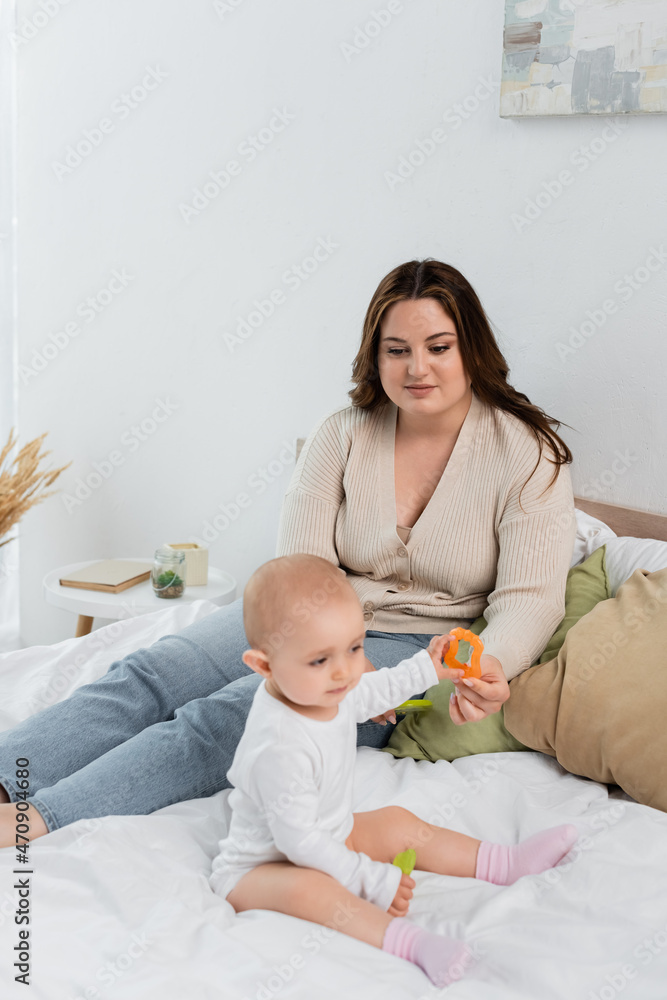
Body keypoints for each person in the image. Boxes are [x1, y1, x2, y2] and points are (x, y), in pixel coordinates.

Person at [0, 258, 576, 846]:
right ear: (375, 357)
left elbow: (528, 598)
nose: (417, 368)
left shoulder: (527, 455)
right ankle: (5, 777)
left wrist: (485, 665)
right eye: (397, 349)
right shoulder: (343, 433)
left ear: (471, 349)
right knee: (152, 671)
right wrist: (318, 645)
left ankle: (37, 819)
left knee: (238, 713)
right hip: (305, 618)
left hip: (408, 648)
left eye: (439, 346)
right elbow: (302, 569)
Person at [213, 553, 578, 989]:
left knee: (397, 824)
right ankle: (411, 944)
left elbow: (372, 691)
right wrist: (367, 877)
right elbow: (298, 840)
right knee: (311, 891)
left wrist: (430, 666)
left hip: (328, 832)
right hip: (259, 868)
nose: (345, 671)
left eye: (354, 648)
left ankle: (505, 863)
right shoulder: (279, 745)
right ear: (264, 666)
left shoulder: (322, 688)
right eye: (319, 660)